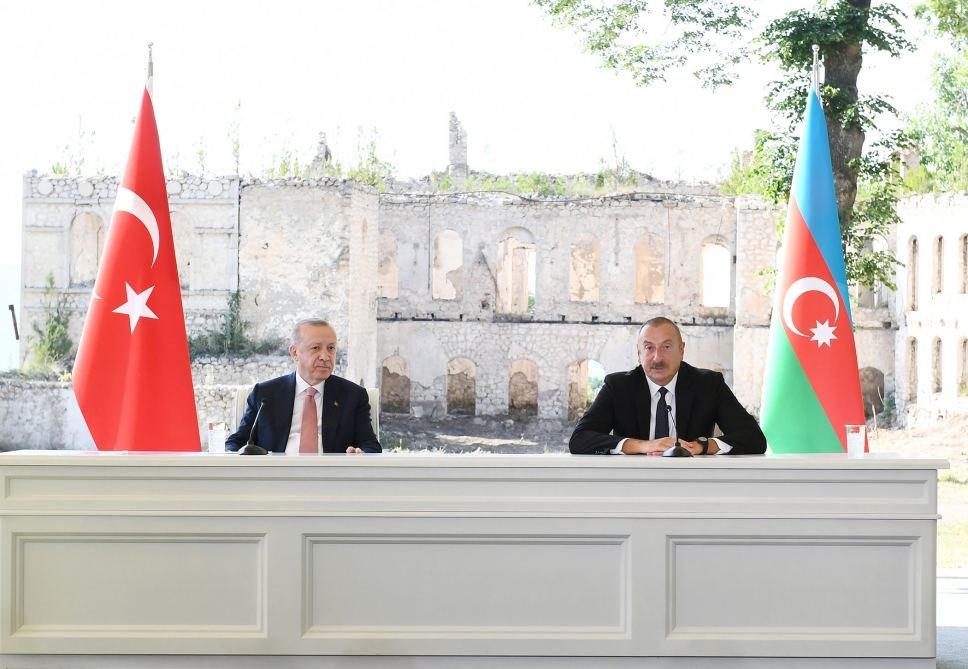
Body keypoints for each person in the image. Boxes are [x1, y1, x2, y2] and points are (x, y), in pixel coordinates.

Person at [570, 316, 766, 456]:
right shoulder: (618, 387)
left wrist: (702, 447)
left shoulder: (708, 384)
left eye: (666, 347)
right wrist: (643, 446)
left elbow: (753, 438)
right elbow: (580, 439)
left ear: (681, 350)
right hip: (633, 484)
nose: (657, 358)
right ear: (638, 354)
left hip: (693, 484)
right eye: (649, 348)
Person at [225, 318, 381, 454]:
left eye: (331, 348)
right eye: (315, 348)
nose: (325, 357)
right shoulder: (265, 394)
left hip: (332, 476)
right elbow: (236, 442)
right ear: (295, 353)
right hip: (275, 475)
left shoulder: (353, 396)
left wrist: (360, 453)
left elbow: (371, 446)